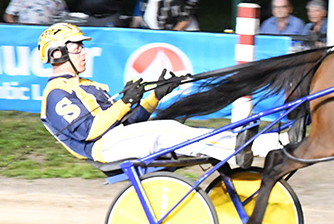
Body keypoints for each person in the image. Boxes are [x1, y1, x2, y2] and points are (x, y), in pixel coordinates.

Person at [38, 23, 237, 165]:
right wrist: (125, 102)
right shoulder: (56, 92)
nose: (84, 52)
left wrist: (155, 96)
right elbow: (88, 131)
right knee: (166, 129)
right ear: (57, 53)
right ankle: (234, 146)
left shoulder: (87, 84)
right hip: (101, 147)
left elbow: (129, 124)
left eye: (83, 47)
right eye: (77, 48)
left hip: (115, 139)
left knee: (166, 130)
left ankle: (230, 144)